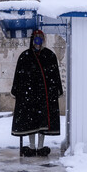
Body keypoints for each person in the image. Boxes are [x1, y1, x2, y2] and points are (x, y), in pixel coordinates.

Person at [11, 29, 63, 157]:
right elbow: (18, 75)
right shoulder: (25, 56)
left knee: (42, 122)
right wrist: (16, 90)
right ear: (32, 39)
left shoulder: (49, 55)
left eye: (40, 37)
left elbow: (55, 74)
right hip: (30, 96)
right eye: (36, 37)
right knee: (31, 122)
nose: (38, 40)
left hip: (44, 95)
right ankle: (32, 146)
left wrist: (57, 90)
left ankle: (40, 147)